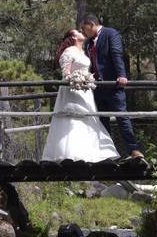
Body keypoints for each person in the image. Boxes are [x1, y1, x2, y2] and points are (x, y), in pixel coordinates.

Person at [41, 29, 119, 163]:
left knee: (87, 117)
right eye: (78, 31)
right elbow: (65, 74)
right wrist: (77, 79)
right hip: (73, 90)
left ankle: (89, 153)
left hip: (86, 91)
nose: (81, 32)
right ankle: (70, 154)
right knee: (73, 118)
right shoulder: (69, 51)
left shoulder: (84, 51)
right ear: (73, 37)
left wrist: (87, 78)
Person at [80, 14, 144, 159]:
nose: (84, 33)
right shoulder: (89, 43)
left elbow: (116, 54)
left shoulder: (110, 33)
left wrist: (122, 75)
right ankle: (108, 154)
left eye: (85, 29)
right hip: (97, 87)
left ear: (91, 24)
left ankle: (134, 150)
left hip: (113, 85)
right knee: (102, 120)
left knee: (122, 117)